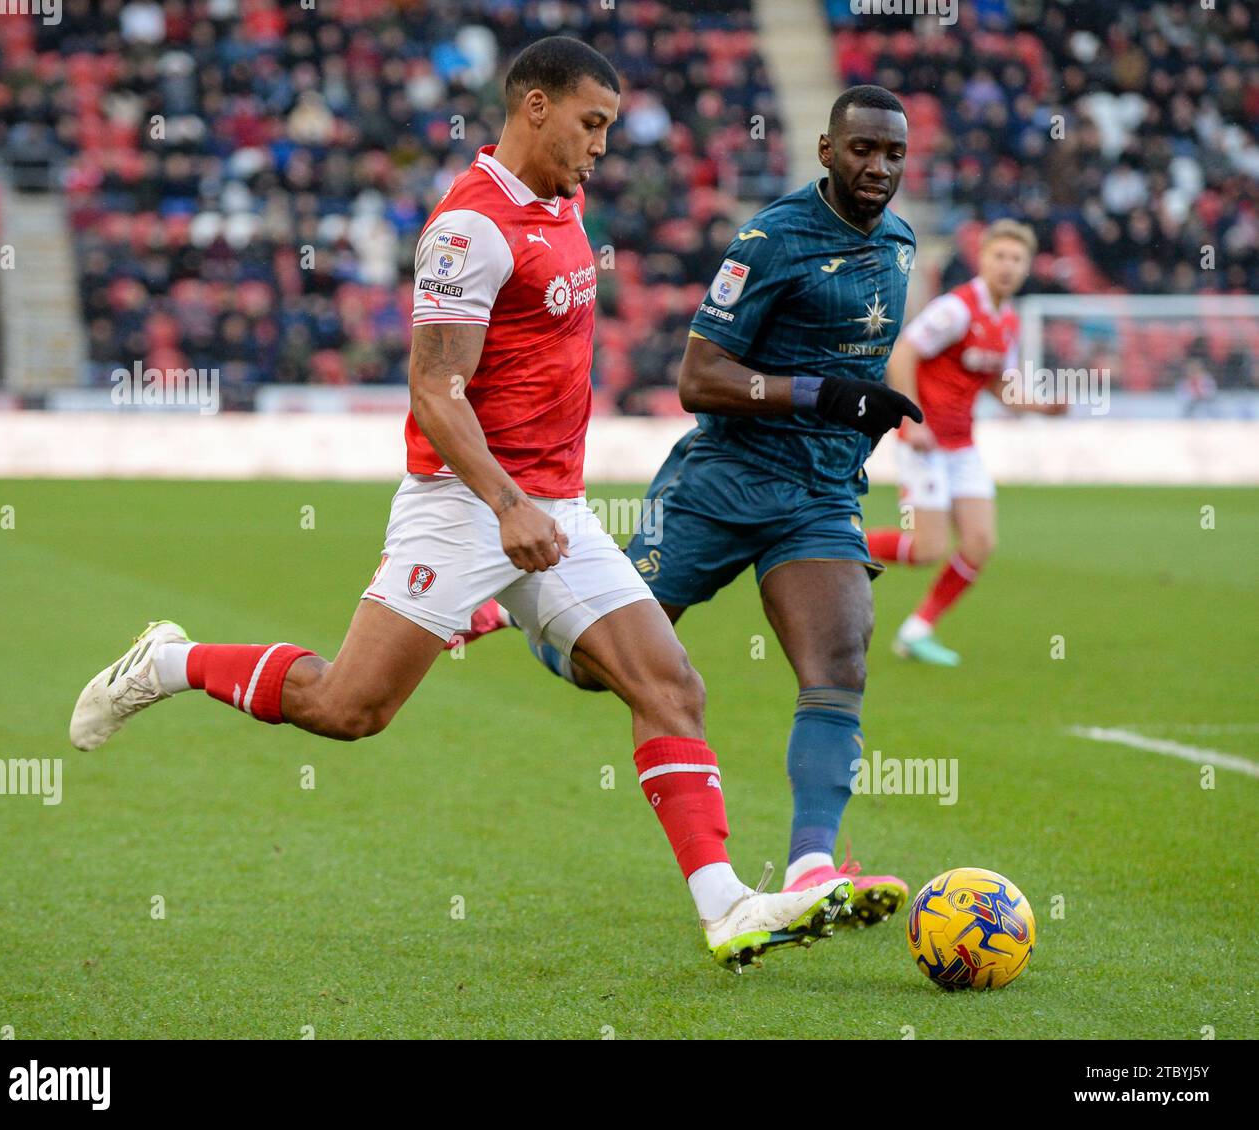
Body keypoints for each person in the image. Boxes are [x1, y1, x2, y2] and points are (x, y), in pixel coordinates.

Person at [68, 37, 851, 972]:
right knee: (348, 708)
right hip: (464, 504)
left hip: (554, 509)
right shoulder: (467, 230)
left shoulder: (562, 197)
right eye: (590, 123)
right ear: (534, 108)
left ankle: (727, 907)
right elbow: (435, 391)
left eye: (607, 125)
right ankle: (171, 660)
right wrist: (508, 503)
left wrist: (539, 505)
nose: (602, 144)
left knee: (670, 686)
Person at [488, 85, 923, 927]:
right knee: (595, 667)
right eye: (862, 149)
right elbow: (698, 379)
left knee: (841, 665)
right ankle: (521, 611)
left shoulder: (901, 244)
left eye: (893, 154)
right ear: (827, 150)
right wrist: (822, 395)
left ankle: (809, 869)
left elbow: (854, 370)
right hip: (721, 481)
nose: (878, 167)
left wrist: (861, 415)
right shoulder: (770, 241)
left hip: (818, 494)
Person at [867, 219, 1063, 665]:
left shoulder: (1008, 320)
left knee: (980, 542)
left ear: (1027, 266)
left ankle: (917, 630)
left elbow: (999, 387)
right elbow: (904, 352)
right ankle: (841, 542)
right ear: (983, 259)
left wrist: (1042, 406)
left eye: (1016, 259)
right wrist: (910, 419)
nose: (1007, 266)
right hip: (925, 440)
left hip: (962, 445)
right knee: (926, 549)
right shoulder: (957, 309)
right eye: (1000, 256)